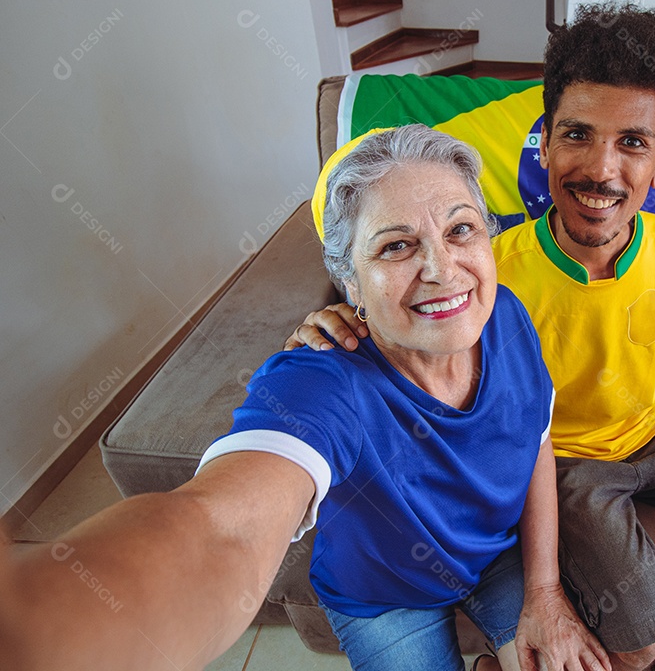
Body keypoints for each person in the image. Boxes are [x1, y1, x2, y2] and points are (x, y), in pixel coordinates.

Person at [290, 3, 655, 671]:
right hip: (567, 463)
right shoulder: (492, 267)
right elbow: (410, 322)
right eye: (578, 135)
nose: (601, 170)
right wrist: (341, 320)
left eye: (632, 143)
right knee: (638, 637)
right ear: (546, 144)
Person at [0, 125, 608, 671]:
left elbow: (536, 441)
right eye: (396, 246)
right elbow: (221, 531)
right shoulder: (322, 380)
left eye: (460, 230)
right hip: (382, 599)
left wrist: (546, 590)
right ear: (350, 283)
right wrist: (39, 632)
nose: (443, 268)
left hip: (496, 562)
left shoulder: (506, 316)